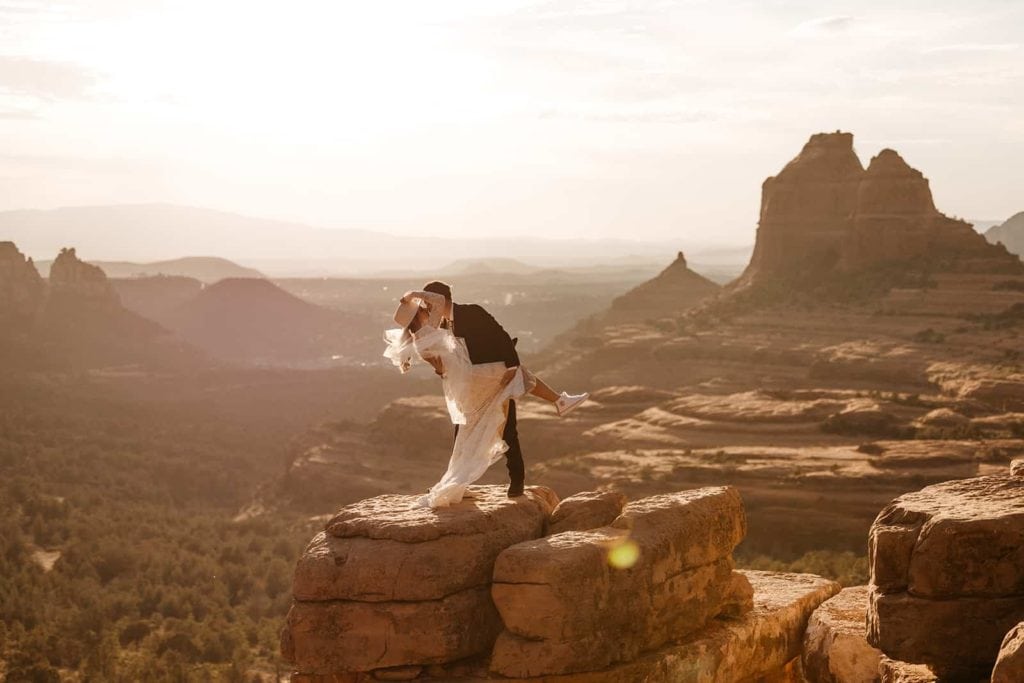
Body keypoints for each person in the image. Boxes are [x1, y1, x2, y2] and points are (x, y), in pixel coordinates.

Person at [383, 281, 588, 507]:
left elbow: (441, 370)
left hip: (465, 383)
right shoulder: (435, 326)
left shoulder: (421, 341)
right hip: (480, 376)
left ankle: (460, 483)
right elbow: (441, 302)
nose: (426, 305)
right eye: (423, 306)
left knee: (471, 430)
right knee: (516, 383)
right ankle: (559, 401)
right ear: (422, 311)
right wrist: (412, 295)